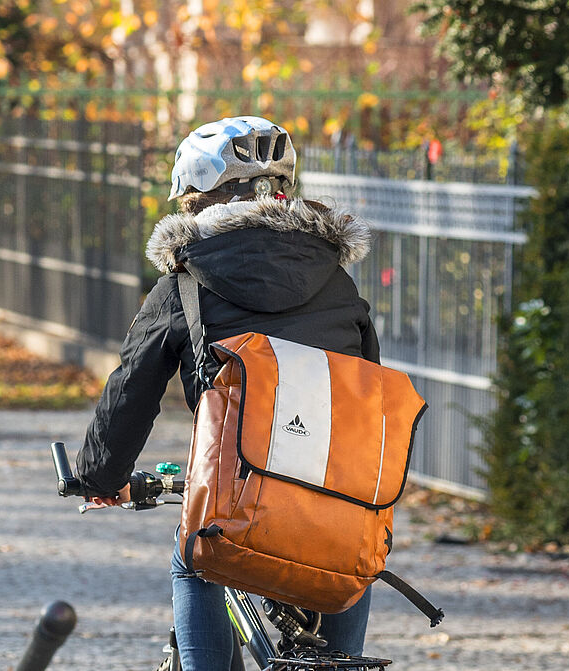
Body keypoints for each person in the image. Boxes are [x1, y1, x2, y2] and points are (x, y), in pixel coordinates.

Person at [75, 117, 378, 671]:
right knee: (350, 551)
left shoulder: (184, 284)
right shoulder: (336, 280)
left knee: (195, 555)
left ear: (195, 199)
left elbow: (131, 390)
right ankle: (343, 660)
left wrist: (101, 474)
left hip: (235, 493)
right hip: (337, 490)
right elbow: (367, 389)